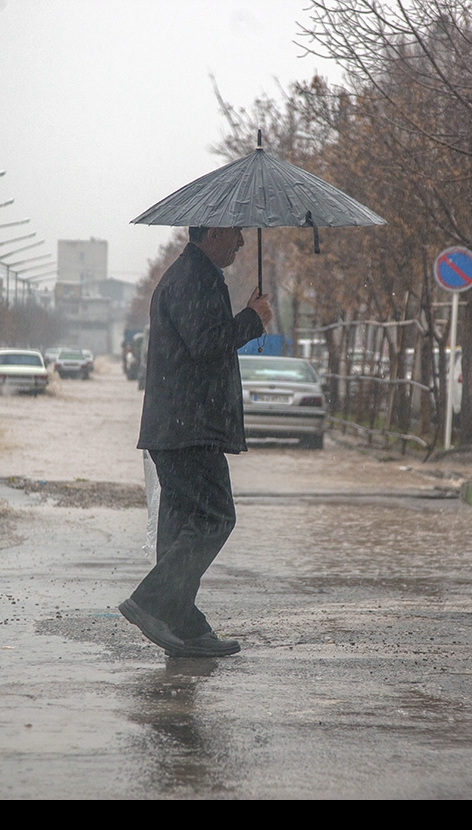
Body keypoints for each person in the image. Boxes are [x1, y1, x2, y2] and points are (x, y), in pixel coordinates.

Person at [119, 226, 272, 658]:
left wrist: (244, 317)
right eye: (237, 233)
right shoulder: (194, 278)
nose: (242, 242)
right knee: (215, 516)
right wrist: (252, 320)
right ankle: (153, 602)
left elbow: (202, 342)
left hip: (178, 427)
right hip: (190, 429)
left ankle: (183, 628)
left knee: (179, 528)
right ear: (214, 233)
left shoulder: (191, 275)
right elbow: (206, 346)